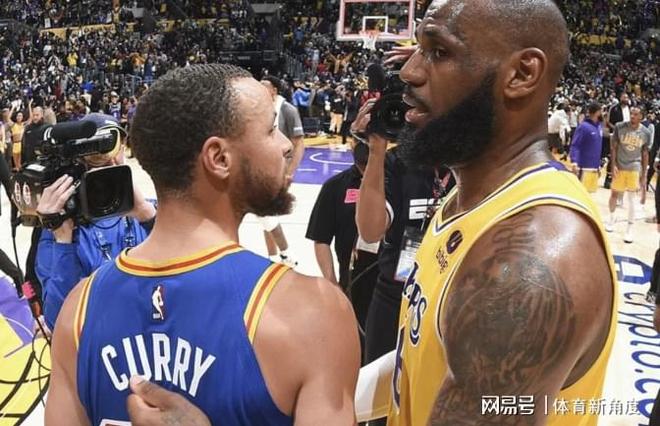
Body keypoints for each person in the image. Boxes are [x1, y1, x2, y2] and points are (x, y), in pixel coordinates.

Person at [46, 64, 359, 425]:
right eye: (271, 129)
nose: (286, 145)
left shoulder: (79, 309)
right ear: (219, 158)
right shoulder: (312, 313)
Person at [355, 1, 616, 424]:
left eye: (439, 52)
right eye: (418, 49)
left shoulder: (529, 266)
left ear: (521, 74)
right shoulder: (471, 195)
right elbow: (427, 353)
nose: (409, 72)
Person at [35, 113, 157, 330]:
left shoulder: (149, 210)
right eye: (95, 155)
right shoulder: (62, 228)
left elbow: (195, 274)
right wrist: (63, 241)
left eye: (113, 149)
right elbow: (58, 321)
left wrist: (148, 217)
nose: (108, 161)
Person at [306, 141, 379, 331]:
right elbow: (321, 238)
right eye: (362, 167)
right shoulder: (335, 186)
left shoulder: (398, 182)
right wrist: (332, 283)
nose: (366, 172)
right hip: (352, 283)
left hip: (391, 285)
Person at [259, 76, 305, 266]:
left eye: (264, 87)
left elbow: (299, 143)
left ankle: (285, 254)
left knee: (266, 213)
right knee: (266, 214)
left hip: (279, 170)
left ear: (274, 90)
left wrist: (289, 172)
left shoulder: (287, 109)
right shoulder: (260, 109)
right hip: (263, 169)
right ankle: (274, 257)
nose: (260, 89)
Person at [604, 106, 652, 243]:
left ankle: (630, 228)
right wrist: (613, 164)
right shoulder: (620, 126)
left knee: (631, 198)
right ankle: (611, 218)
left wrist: (644, 174)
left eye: (636, 114)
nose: (632, 116)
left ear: (641, 117)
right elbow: (614, 147)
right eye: (631, 113)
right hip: (619, 165)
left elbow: (645, 153)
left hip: (634, 166)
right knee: (614, 194)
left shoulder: (646, 132)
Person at [569, 102, 604, 193]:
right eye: (601, 111)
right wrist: (574, 162)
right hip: (583, 168)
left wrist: (598, 166)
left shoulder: (599, 127)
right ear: (597, 112)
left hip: (594, 167)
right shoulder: (583, 127)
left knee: (590, 195)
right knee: (580, 194)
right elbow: (575, 145)